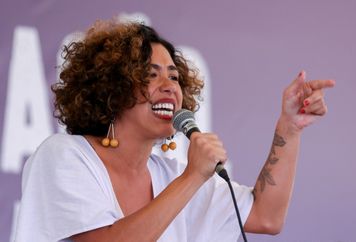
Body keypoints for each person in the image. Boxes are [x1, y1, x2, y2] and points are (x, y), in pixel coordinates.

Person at [14, 19, 335, 242]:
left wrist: (289, 127)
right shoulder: (64, 156)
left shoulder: (170, 174)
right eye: (151, 75)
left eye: (174, 76)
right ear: (112, 88)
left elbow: (267, 217)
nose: (170, 87)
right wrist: (194, 177)